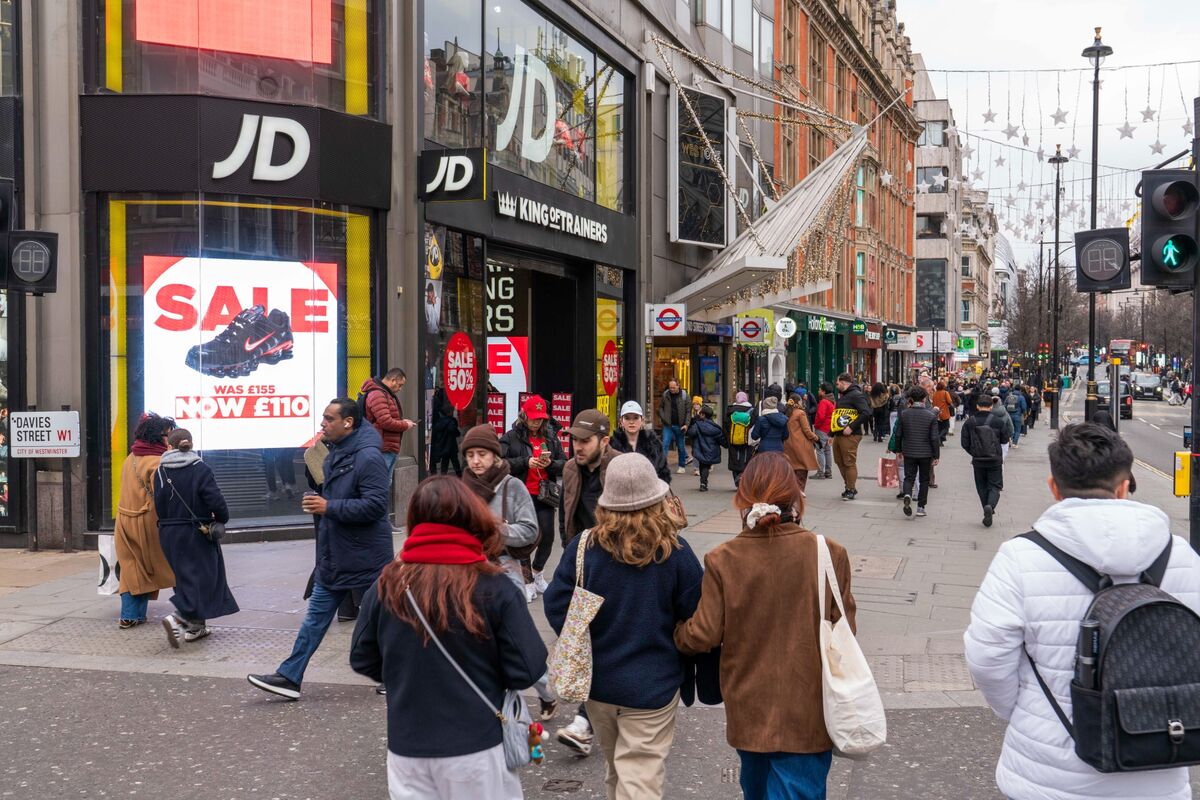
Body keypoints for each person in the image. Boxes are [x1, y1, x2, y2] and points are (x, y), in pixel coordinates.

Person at [964, 423, 1200, 800]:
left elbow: (987, 657)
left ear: (1054, 488)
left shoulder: (1020, 557)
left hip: (1047, 777)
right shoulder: (1182, 556)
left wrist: (1029, 710)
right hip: (1158, 764)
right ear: (1125, 486)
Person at [349, 476, 548, 800]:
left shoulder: (387, 584)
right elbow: (527, 668)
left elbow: (362, 657)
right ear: (471, 517)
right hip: (477, 745)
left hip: (407, 748)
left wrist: (407, 674)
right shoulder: (495, 587)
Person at [675, 453, 856, 800]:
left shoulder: (723, 559)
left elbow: (703, 633)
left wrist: (677, 632)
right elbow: (846, 628)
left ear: (743, 500)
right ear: (796, 497)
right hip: (810, 707)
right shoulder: (829, 553)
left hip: (749, 705)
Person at [544, 453, 704, 800]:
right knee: (639, 778)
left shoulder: (585, 546)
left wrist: (584, 637)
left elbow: (556, 604)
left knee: (619, 771)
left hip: (599, 685)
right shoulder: (675, 552)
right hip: (653, 687)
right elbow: (697, 613)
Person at [248, 399, 393, 700]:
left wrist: (329, 506)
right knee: (315, 618)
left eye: (329, 419)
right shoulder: (336, 451)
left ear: (348, 423)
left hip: (365, 556)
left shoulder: (368, 457)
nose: (322, 423)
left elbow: (377, 505)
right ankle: (289, 677)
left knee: (383, 620)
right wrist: (321, 503)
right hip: (336, 553)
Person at [554, 408, 619, 755]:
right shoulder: (569, 468)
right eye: (574, 440)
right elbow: (568, 513)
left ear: (604, 441)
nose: (577, 447)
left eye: (585, 440)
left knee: (600, 644)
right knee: (585, 640)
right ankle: (588, 718)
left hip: (619, 567)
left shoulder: (621, 467)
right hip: (582, 567)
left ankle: (585, 721)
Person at [155, 428, 237, 646]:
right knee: (207, 577)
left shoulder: (160, 471)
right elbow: (216, 501)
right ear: (190, 443)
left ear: (169, 446)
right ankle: (179, 618)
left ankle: (196, 627)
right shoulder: (200, 468)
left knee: (184, 578)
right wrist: (221, 519)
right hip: (195, 531)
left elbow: (158, 504)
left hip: (168, 532)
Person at [461, 424, 539, 601]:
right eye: (470, 455)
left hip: (504, 571)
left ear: (494, 455)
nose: (475, 461)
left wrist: (496, 530)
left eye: (482, 454)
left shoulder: (512, 486)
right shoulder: (462, 488)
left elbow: (530, 530)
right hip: (467, 573)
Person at [114, 412, 177, 629]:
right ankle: (189, 611)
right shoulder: (159, 462)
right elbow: (164, 496)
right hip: (148, 523)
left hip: (124, 520)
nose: (170, 439)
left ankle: (130, 616)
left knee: (132, 569)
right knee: (173, 566)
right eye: (168, 435)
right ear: (157, 436)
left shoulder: (130, 458)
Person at [501, 396, 567, 596]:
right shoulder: (511, 437)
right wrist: (526, 462)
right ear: (524, 416)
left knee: (547, 537)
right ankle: (527, 580)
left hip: (544, 494)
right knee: (524, 539)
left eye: (540, 419)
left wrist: (551, 465)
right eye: (533, 418)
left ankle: (537, 573)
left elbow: (564, 462)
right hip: (521, 495)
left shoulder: (550, 437)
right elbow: (500, 462)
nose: (537, 422)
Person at [961, 393, 1011, 528]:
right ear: (991, 406)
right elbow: (1005, 440)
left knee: (981, 487)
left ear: (977, 406)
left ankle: (986, 508)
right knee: (995, 486)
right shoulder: (998, 422)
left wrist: (975, 452)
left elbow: (964, 443)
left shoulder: (970, 422)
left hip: (978, 461)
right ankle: (990, 506)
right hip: (994, 460)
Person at [359, 367, 416, 478]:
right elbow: (385, 421)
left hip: (386, 447)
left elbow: (385, 419)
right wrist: (405, 425)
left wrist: (402, 421)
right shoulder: (378, 394)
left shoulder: (383, 393)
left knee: (384, 484)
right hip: (382, 448)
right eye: (400, 385)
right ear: (393, 380)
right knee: (380, 484)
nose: (400, 389)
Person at [895, 386, 940, 519]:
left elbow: (898, 434)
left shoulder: (904, 414)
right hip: (926, 453)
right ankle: (921, 507)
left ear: (910, 399)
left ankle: (907, 493)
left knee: (909, 477)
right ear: (924, 399)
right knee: (924, 479)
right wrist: (936, 455)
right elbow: (934, 437)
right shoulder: (931, 415)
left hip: (909, 451)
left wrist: (898, 450)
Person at [609, 400, 671, 483]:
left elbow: (663, 472)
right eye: (627, 418)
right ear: (621, 421)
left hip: (650, 493)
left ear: (642, 420)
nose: (631, 422)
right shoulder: (612, 445)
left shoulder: (654, 443)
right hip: (620, 494)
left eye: (635, 417)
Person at [832, 373, 870, 500]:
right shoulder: (846, 395)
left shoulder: (856, 395)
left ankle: (851, 489)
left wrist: (851, 427)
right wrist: (832, 434)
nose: (836, 386)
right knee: (839, 461)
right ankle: (849, 486)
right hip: (839, 434)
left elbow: (866, 412)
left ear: (843, 382)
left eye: (837, 383)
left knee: (848, 462)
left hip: (850, 435)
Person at [783, 393, 819, 494]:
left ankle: (792, 489)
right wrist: (816, 438)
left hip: (788, 443)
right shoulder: (800, 413)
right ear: (798, 401)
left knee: (793, 467)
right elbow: (806, 430)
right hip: (800, 444)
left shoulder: (786, 412)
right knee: (803, 468)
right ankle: (800, 489)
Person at [686, 405, 726, 491]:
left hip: (700, 449)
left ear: (703, 415)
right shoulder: (715, 427)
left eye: (700, 414)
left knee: (703, 465)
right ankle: (704, 483)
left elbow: (691, 433)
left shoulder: (697, 425)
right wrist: (726, 444)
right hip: (711, 451)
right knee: (706, 466)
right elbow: (721, 439)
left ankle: (703, 483)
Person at [657, 379, 692, 472]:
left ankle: (681, 466)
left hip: (680, 426)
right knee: (665, 444)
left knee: (680, 446)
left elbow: (689, 411)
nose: (671, 389)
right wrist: (663, 417)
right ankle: (662, 466)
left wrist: (686, 424)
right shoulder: (665, 395)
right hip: (668, 425)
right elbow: (660, 407)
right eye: (670, 387)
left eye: (673, 387)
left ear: (678, 385)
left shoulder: (685, 396)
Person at [429, 388, 462, 477]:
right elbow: (454, 431)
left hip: (442, 440)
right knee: (453, 460)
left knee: (444, 459)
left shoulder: (438, 412)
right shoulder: (451, 421)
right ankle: (458, 475)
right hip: (450, 442)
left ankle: (437, 474)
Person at [726, 391, 756, 488]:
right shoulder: (751, 410)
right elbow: (753, 424)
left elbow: (726, 425)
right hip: (746, 439)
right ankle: (743, 478)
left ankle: (737, 479)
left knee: (734, 458)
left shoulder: (730, 410)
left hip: (733, 439)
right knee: (746, 458)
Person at [813, 383, 834, 480]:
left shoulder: (824, 402)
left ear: (824, 391)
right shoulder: (832, 401)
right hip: (829, 429)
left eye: (820, 390)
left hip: (822, 428)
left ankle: (820, 471)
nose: (818, 391)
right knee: (827, 450)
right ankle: (828, 471)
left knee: (819, 450)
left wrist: (816, 425)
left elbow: (820, 416)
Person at [988, 392, 1015, 461]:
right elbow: (1010, 426)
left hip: (989, 437)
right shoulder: (1005, 413)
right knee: (1001, 458)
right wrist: (1009, 435)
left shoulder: (987, 413)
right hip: (1003, 437)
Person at [1004, 382, 1028, 448]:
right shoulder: (1021, 397)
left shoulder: (1009, 396)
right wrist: (1025, 414)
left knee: (1010, 428)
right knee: (1017, 430)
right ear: (1020, 390)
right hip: (1017, 415)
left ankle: (1010, 439)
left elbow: (1005, 405)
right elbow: (1024, 407)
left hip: (1009, 415)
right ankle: (1015, 443)